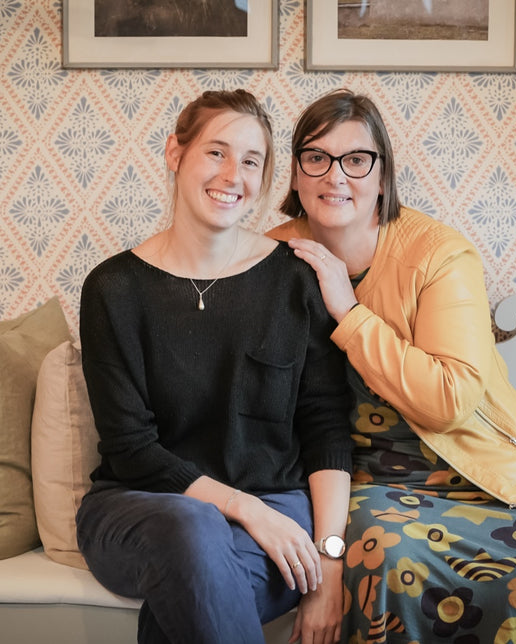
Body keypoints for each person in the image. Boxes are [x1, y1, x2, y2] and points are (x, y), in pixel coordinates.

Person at [269, 89, 516, 643]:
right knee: (382, 555)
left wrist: (347, 309)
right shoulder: (268, 259)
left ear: (383, 175)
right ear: (296, 175)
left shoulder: (439, 254)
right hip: (366, 482)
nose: (334, 176)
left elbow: (449, 400)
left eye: (356, 159)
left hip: (486, 476)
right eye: (315, 157)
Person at [77, 89, 353, 644]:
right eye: (216, 152)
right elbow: (131, 450)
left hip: (278, 519)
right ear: (175, 154)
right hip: (139, 511)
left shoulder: (293, 281)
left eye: (252, 161)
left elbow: (325, 428)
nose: (234, 174)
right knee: (193, 527)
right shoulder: (113, 289)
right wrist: (241, 507)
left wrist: (329, 564)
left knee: (185, 595)